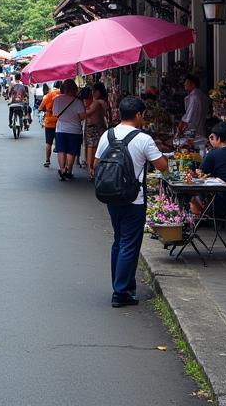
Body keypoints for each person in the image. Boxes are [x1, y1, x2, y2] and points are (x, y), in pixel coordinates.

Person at [97, 95, 169, 307]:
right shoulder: (143, 139)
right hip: (134, 199)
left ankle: (124, 285)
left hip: (111, 196)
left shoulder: (107, 135)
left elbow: (97, 163)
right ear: (138, 115)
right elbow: (162, 166)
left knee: (119, 240)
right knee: (129, 243)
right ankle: (120, 292)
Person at [52, 79, 86, 180]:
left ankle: (62, 169)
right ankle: (69, 170)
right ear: (75, 89)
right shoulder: (78, 101)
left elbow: (55, 114)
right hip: (74, 130)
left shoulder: (57, 99)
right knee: (71, 151)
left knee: (61, 150)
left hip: (60, 129)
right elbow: (82, 117)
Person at [83, 82, 110, 178]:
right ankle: (93, 168)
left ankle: (91, 168)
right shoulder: (103, 101)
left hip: (94, 127)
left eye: (95, 91)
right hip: (99, 127)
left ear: (100, 91)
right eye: (92, 91)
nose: (93, 92)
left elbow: (87, 113)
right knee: (97, 146)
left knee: (92, 147)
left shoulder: (97, 102)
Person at [39, 81, 61, 168]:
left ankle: (47, 160)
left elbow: (41, 107)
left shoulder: (50, 94)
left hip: (49, 122)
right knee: (60, 144)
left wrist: (47, 110)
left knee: (49, 143)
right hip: (60, 122)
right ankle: (62, 165)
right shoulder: (64, 95)